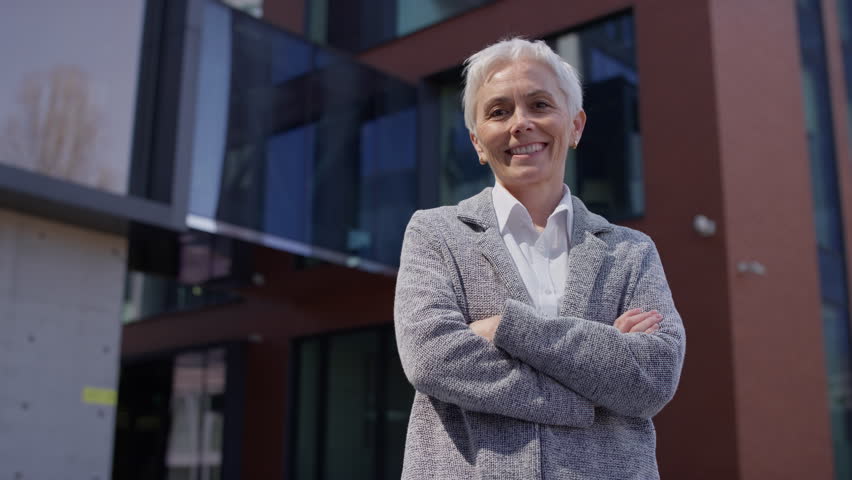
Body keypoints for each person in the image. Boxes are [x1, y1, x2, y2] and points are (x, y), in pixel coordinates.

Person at [393, 37, 686, 479]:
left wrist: (505, 328)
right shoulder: (435, 233)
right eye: (498, 112)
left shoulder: (630, 250)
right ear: (476, 140)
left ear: (575, 126)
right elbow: (432, 357)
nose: (520, 123)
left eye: (539, 104)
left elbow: (653, 377)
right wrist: (593, 372)